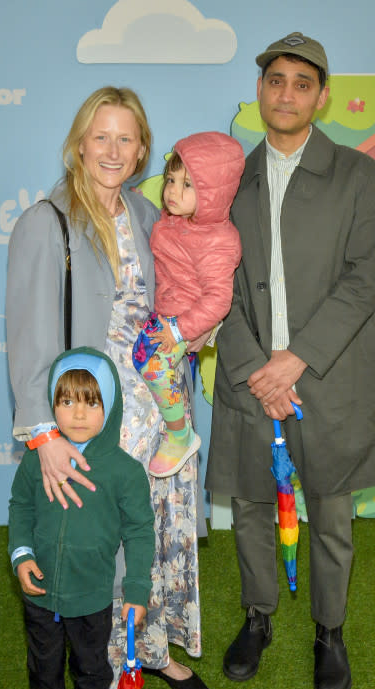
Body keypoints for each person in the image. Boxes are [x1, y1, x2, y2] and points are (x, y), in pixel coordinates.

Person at [206, 33, 375, 689]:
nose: (286, 93)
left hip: (326, 374)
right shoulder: (230, 181)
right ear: (261, 90)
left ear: (320, 95)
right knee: (250, 506)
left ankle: (329, 630)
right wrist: (253, 368)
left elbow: (364, 277)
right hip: (249, 376)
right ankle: (257, 616)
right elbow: (217, 286)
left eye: (301, 82)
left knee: (328, 510)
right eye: (275, 81)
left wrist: (293, 361)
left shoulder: (355, 173)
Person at [7, 87, 210, 689]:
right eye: (102, 136)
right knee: (108, 542)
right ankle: (108, 665)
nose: (114, 150)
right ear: (79, 143)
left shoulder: (150, 216)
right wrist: (44, 433)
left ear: (143, 148)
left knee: (156, 530)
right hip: (95, 417)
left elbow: (174, 299)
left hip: (159, 409)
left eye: (127, 138)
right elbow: (28, 338)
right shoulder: (47, 221)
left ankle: (152, 649)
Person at [8, 347, 155, 689]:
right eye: (66, 400)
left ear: (110, 407)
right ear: (52, 404)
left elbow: (140, 532)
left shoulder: (125, 472)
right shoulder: (39, 460)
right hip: (41, 595)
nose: (77, 413)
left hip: (92, 596)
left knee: (93, 669)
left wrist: (136, 589)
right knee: (44, 668)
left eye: (91, 401)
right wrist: (22, 554)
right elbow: (20, 508)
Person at [132, 131, 244, 478]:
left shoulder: (218, 240)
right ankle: (166, 427)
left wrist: (180, 330)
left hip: (183, 322)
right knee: (139, 359)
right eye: (170, 180)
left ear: (213, 194)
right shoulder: (177, 221)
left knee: (152, 367)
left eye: (188, 185)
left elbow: (218, 299)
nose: (172, 192)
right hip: (166, 313)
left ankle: (180, 436)